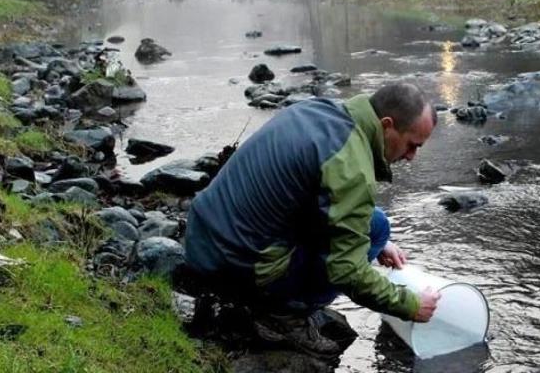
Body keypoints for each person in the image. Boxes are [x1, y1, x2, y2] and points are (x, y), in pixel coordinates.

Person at [184, 82, 441, 356]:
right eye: (412, 145)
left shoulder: (318, 110)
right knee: (375, 230)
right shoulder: (351, 167)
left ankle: (262, 297)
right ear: (387, 125)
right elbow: (347, 271)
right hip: (235, 265)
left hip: (202, 236)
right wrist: (410, 305)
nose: (412, 157)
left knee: (374, 224)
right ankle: (285, 316)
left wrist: (379, 242)